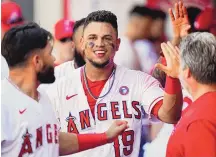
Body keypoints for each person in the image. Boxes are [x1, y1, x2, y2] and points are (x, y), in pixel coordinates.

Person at [46, 10, 183, 157]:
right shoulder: (58, 87)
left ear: (117, 44)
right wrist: (103, 137)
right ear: (82, 44)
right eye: (92, 38)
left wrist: (173, 78)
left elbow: (170, 115)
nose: (99, 44)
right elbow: (49, 143)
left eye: (106, 38)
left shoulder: (138, 81)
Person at [1, 22, 128, 157]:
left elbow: (55, 141)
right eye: (49, 54)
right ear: (37, 61)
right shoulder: (3, 102)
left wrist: (105, 137)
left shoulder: (42, 96)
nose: (54, 58)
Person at [114, 5, 156, 71]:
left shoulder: (130, 46)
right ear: (136, 24)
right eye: (147, 27)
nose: (149, 32)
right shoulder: (123, 50)